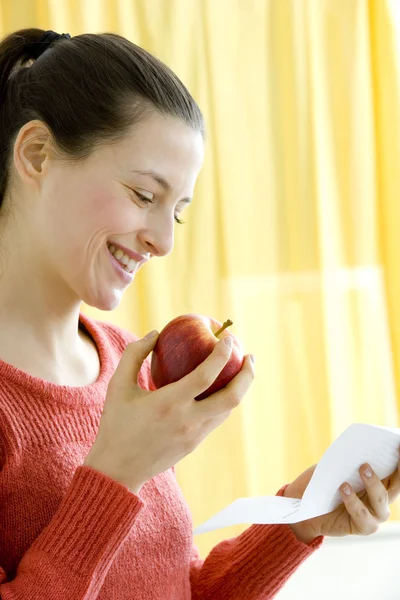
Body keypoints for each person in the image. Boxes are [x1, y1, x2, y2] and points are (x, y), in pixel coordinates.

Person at [0, 27, 398, 600]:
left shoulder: (126, 364)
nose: (163, 241)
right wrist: (114, 476)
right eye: (144, 195)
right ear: (37, 154)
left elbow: (175, 588)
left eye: (178, 213)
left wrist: (297, 520)